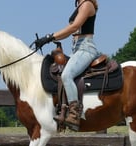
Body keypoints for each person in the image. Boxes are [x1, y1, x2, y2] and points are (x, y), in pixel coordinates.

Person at [34, 0, 101, 131]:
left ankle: (74, 114)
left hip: (85, 48)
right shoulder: (79, 5)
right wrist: (50, 39)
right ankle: (61, 109)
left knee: (67, 75)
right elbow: (69, 31)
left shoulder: (87, 4)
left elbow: (73, 27)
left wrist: (49, 37)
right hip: (76, 49)